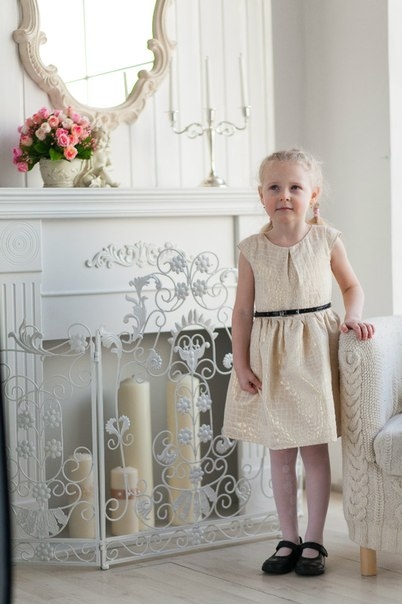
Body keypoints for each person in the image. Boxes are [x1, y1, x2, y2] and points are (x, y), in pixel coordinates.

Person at [222, 148, 375, 576]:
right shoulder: (252, 249)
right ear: (261, 196)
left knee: (314, 449)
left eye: (295, 187)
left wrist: (353, 317)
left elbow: (352, 286)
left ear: (313, 195)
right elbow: (242, 311)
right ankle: (287, 537)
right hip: (269, 358)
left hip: (313, 354)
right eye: (274, 187)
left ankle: (315, 539)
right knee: (280, 452)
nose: (284, 195)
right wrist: (240, 363)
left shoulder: (327, 240)